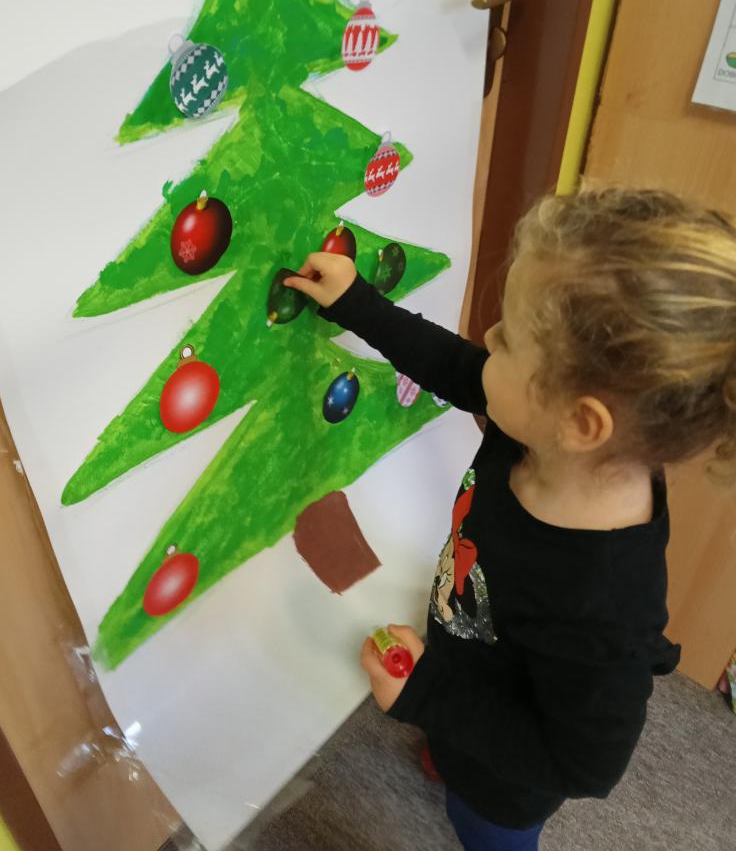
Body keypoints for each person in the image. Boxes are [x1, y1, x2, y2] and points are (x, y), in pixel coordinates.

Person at [284, 187, 736, 851]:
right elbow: (455, 367)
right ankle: (449, 753)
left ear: (581, 422)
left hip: (504, 790)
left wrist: (429, 695)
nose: (488, 340)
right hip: (470, 663)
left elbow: (582, 765)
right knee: (454, 755)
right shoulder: (544, 429)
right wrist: (358, 303)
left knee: (479, 822)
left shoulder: (602, 606)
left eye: (508, 340)